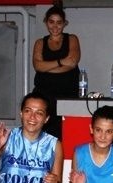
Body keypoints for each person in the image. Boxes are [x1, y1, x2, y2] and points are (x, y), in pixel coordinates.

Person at [32, 5, 80, 139]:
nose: (55, 26)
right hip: (44, 96)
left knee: (66, 135)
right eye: (51, 22)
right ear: (46, 22)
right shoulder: (40, 43)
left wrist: (47, 66)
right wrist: (60, 62)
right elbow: (38, 66)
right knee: (41, 136)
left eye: (59, 22)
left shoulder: (72, 39)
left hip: (67, 96)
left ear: (64, 23)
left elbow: (72, 62)